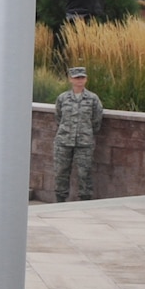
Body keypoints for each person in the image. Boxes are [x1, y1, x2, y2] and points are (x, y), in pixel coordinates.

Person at [52, 66, 103, 203]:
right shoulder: (62, 98)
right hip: (63, 141)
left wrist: (86, 132)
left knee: (84, 173)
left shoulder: (92, 99)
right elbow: (58, 117)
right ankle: (60, 201)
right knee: (61, 172)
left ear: (86, 79)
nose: (79, 80)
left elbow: (97, 120)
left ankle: (84, 202)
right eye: (76, 78)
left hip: (84, 143)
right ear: (70, 79)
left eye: (82, 77)